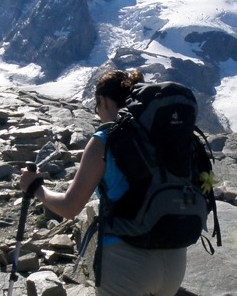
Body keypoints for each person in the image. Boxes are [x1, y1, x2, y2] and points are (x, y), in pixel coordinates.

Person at [19, 70, 188, 296]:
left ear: (104, 101)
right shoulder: (168, 137)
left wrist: (36, 188)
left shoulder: (106, 139)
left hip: (127, 262)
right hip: (176, 260)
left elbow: (70, 207)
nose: (98, 113)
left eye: (96, 106)